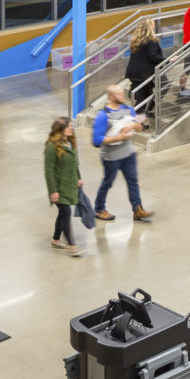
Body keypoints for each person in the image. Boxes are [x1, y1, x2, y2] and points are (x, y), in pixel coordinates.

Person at [91, 84, 153, 223]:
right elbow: (96, 140)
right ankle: (99, 208)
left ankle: (137, 209)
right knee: (108, 182)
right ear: (111, 97)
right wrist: (119, 137)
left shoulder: (128, 110)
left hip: (128, 154)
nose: (123, 96)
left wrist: (132, 125)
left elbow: (139, 127)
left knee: (133, 181)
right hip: (111, 157)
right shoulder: (103, 116)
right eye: (119, 94)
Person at [43, 117, 86, 257]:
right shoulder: (51, 147)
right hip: (59, 187)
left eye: (72, 126)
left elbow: (74, 162)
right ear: (60, 129)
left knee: (63, 213)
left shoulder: (70, 143)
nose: (71, 129)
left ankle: (56, 240)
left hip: (69, 185)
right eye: (69, 126)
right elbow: (48, 171)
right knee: (66, 213)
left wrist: (78, 177)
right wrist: (53, 191)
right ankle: (72, 246)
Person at [125, 18, 164, 116]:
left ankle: (145, 111)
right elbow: (153, 56)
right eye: (153, 24)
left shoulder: (136, 40)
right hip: (144, 74)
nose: (155, 26)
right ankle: (146, 112)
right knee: (164, 84)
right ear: (150, 27)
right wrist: (167, 60)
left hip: (133, 72)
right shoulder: (151, 41)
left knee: (145, 94)